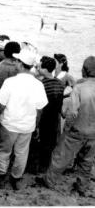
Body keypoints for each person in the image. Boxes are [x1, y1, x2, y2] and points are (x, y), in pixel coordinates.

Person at [36, 56, 95, 197]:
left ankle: (49, 181)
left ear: (84, 70)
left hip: (77, 130)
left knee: (60, 156)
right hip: (94, 133)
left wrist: (67, 130)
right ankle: (82, 186)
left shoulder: (79, 88)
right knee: (87, 161)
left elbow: (72, 113)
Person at [0, 47, 48, 190]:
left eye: (17, 61)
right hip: (27, 125)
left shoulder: (10, 82)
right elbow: (40, 109)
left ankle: (0, 176)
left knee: (3, 151)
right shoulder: (38, 84)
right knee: (22, 153)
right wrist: (36, 125)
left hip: (9, 124)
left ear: (19, 63)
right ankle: (16, 178)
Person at [36, 56, 64, 172]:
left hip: (44, 118)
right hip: (55, 118)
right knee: (50, 143)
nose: (37, 66)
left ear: (44, 69)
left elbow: (39, 106)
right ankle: (46, 165)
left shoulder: (41, 84)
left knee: (41, 143)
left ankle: (39, 167)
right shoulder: (60, 83)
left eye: (39, 65)